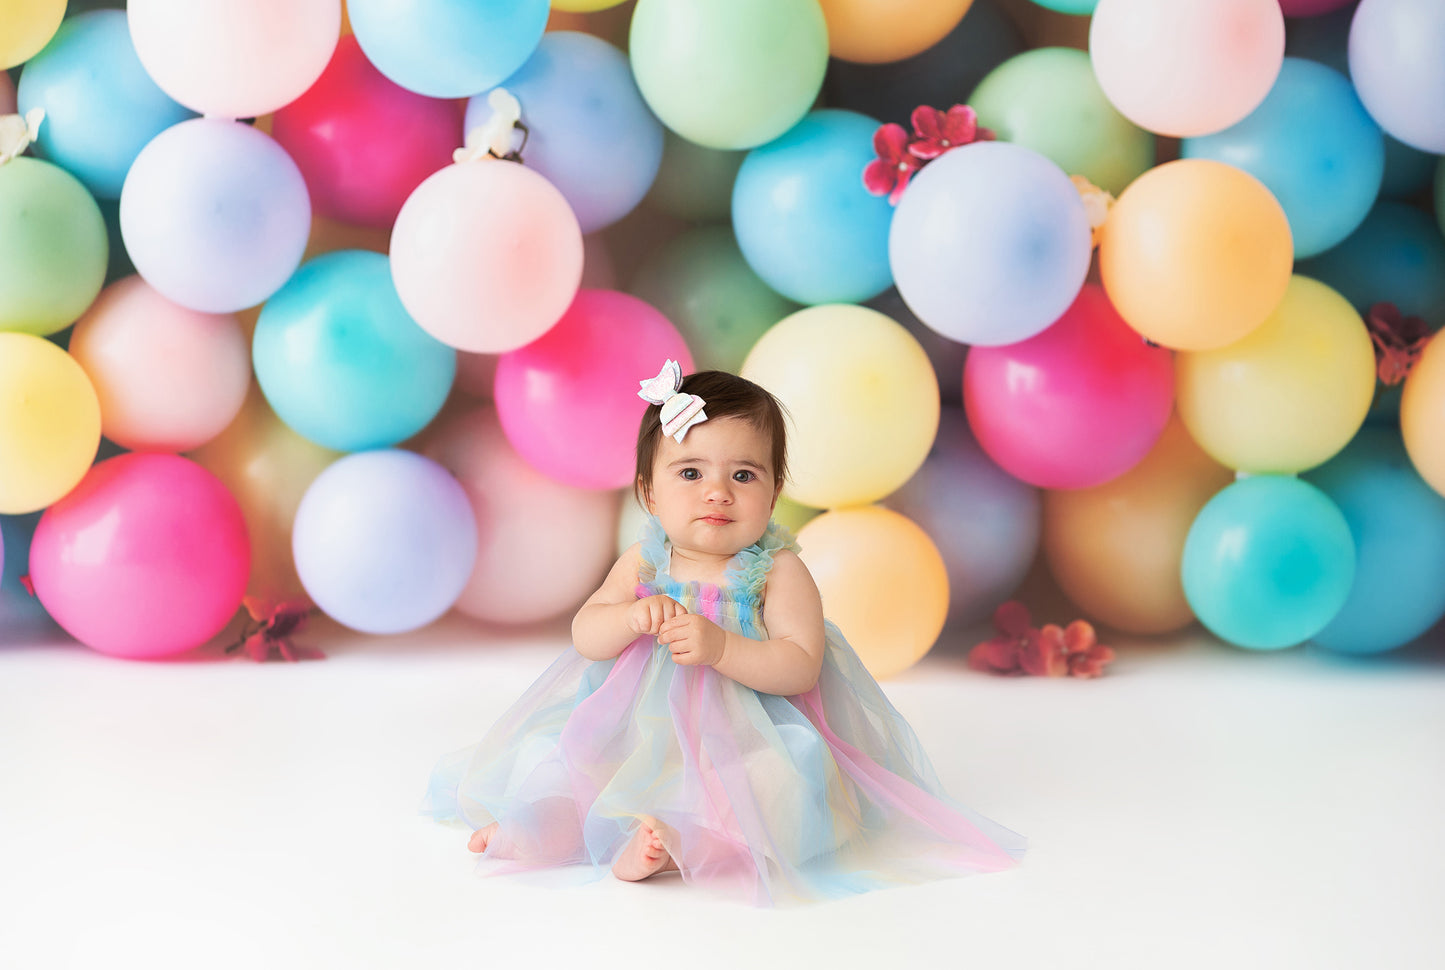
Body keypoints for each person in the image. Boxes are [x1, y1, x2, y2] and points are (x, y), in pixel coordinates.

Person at [422, 362, 1025, 905]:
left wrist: (722, 646)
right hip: (636, 727)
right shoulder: (644, 563)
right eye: (691, 472)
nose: (718, 492)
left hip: (745, 737)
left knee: (780, 789)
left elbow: (799, 665)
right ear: (649, 494)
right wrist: (629, 616)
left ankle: (674, 846)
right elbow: (586, 633)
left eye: (743, 474)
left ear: (775, 492)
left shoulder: (777, 570)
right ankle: (538, 826)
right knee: (570, 759)